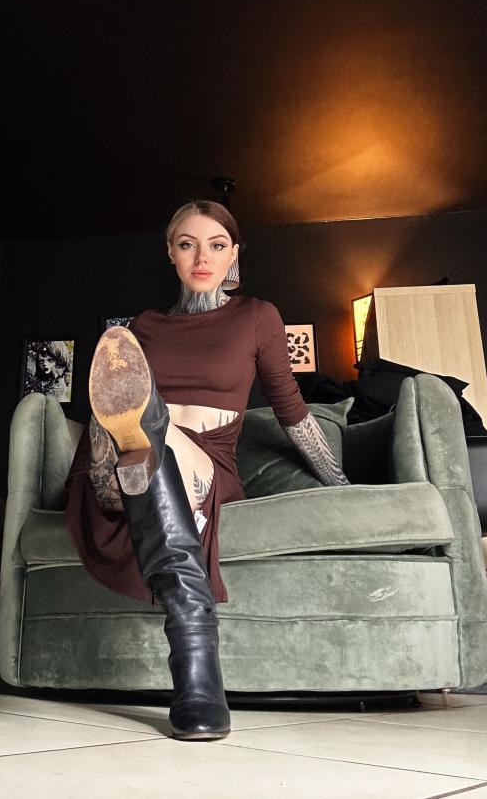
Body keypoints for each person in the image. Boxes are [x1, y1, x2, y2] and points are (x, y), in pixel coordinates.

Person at [65, 199, 349, 741]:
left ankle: (143, 432)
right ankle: (196, 660)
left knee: (151, 433)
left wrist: (340, 484)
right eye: (187, 244)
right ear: (170, 254)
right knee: (125, 420)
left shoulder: (257, 317)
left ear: (233, 254)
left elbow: (291, 412)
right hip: (115, 469)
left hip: (203, 462)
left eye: (217, 245)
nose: (202, 258)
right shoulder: (143, 326)